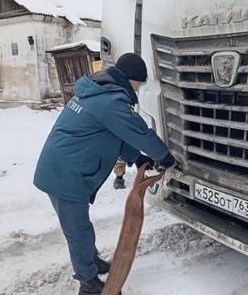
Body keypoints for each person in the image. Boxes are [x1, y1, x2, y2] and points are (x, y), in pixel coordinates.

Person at [33, 53, 176, 295]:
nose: (139, 88)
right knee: (78, 231)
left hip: (64, 168)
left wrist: (137, 158)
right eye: (139, 83)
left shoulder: (98, 93)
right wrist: (163, 156)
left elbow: (114, 135)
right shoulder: (110, 101)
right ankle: (88, 282)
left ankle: (91, 262)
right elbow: (138, 131)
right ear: (130, 79)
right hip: (64, 175)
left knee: (81, 226)